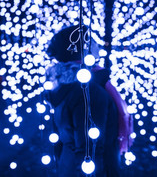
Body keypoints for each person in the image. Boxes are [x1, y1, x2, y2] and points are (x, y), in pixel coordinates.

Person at [45, 25, 133, 177]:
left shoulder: (65, 84)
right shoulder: (88, 90)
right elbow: (89, 150)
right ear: (82, 49)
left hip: (69, 164)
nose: (96, 45)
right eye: (91, 40)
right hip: (91, 169)